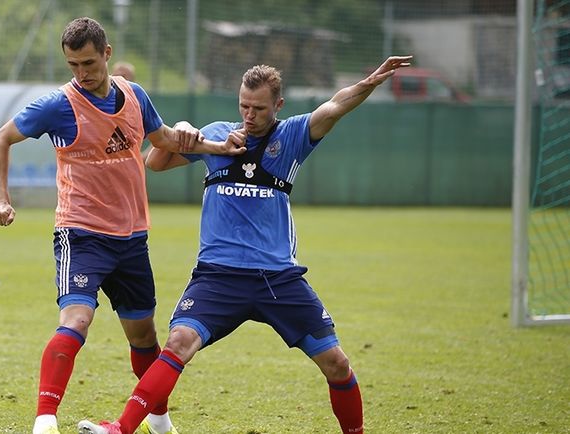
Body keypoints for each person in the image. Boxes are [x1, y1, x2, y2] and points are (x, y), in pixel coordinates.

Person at [77, 55, 413, 434]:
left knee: (337, 363)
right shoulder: (219, 134)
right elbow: (155, 161)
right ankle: (122, 428)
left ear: (278, 106)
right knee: (178, 342)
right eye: (244, 106)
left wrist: (370, 81)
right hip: (218, 276)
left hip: (279, 279)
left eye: (259, 108)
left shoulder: (292, 137)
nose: (249, 115)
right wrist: (187, 129)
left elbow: (336, 105)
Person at [0, 17, 245, 434]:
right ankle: (45, 420)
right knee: (76, 320)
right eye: (73, 65)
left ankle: (158, 420)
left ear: (107, 54)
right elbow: (1, 138)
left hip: (131, 238)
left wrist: (217, 147)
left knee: (143, 337)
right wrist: (1, 198)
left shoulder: (134, 95)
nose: (82, 74)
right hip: (80, 232)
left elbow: (161, 140)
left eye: (88, 63)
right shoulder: (58, 105)